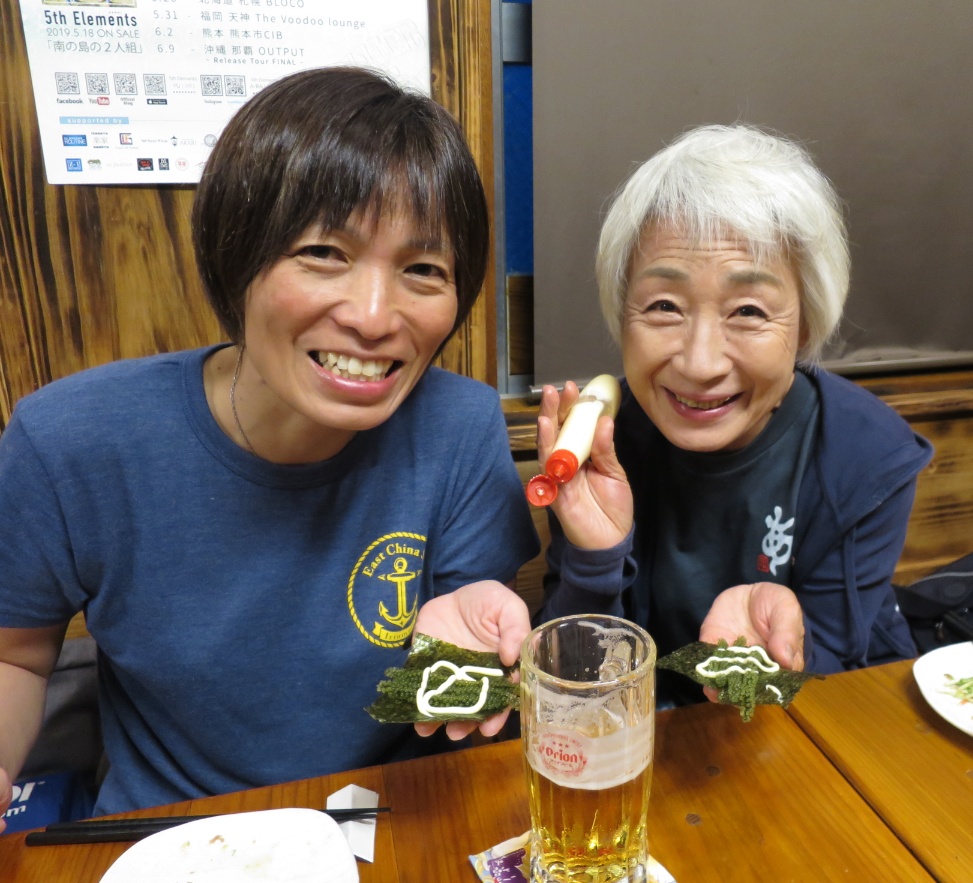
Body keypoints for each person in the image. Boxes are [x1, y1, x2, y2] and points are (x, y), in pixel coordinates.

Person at [0, 66, 539, 829]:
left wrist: (484, 642)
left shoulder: (459, 427)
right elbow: (15, 656)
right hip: (169, 833)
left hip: (386, 822)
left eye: (422, 269)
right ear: (236, 254)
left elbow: (458, 637)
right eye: (323, 252)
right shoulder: (71, 441)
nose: (375, 315)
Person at [536, 124, 932, 708]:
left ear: (805, 325)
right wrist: (595, 559)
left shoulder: (866, 456)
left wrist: (775, 662)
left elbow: (837, 679)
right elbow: (567, 694)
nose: (699, 364)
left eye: (748, 310)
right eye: (664, 306)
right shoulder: (599, 444)